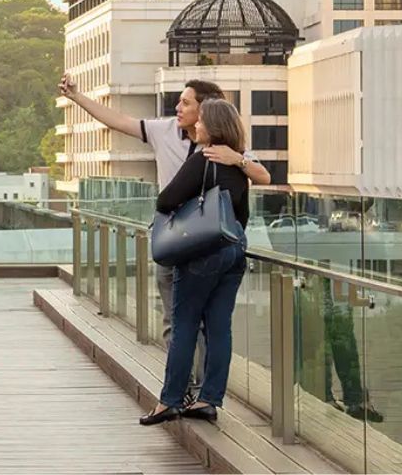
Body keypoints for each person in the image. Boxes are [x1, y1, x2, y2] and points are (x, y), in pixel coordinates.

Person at [60, 75, 270, 401]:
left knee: (198, 324)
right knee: (182, 321)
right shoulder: (165, 131)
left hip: (207, 244)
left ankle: (191, 393)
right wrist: (77, 97)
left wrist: (237, 159)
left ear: (205, 110)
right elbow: (118, 121)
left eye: (186, 102)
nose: (178, 108)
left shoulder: (223, 149)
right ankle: (191, 392)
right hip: (177, 243)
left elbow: (263, 175)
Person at [139, 98, 250, 425]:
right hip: (234, 250)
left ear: (212, 126)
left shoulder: (203, 159)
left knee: (184, 324)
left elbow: (165, 201)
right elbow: (242, 215)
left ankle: (170, 401)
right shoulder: (238, 164)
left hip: (202, 254)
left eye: (200, 120)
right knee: (219, 327)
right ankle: (208, 400)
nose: (195, 126)